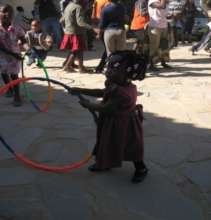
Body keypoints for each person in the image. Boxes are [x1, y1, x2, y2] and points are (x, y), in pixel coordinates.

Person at [70, 50, 148, 183]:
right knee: (107, 143)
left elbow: (106, 107)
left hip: (124, 125)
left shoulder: (123, 92)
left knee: (130, 147)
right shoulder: (118, 85)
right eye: (109, 67)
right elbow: (102, 93)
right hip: (113, 121)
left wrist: (88, 104)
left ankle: (141, 169)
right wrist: (80, 90)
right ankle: (105, 163)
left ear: (128, 72)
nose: (108, 71)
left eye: (114, 69)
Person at [0, 4, 29, 107]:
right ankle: (9, 88)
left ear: (13, 15)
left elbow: (23, 40)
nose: (7, 14)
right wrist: (13, 54)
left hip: (15, 55)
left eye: (10, 12)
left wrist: (27, 49)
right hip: (2, 56)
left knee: (14, 75)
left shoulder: (16, 27)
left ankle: (17, 95)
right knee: (3, 72)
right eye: (4, 11)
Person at [60, 0, 93, 72]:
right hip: (77, 33)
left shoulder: (68, 6)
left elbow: (61, 20)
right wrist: (91, 28)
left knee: (74, 50)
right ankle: (69, 66)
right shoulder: (78, 7)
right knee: (78, 50)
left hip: (68, 32)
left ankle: (73, 65)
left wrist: (65, 29)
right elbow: (80, 22)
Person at [148, 0, 171, 71]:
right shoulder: (152, 1)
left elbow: (165, 13)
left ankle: (163, 62)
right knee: (154, 46)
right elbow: (162, 6)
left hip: (164, 25)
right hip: (155, 26)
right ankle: (151, 64)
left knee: (164, 45)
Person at [91, 0, 111, 73]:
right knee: (108, 48)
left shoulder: (97, 1)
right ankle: (101, 67)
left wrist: (94, 26)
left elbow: (93, 17)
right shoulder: (107, 2)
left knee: (107, 48)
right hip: (106, 26)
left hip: (99, 25)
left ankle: (101, 67)